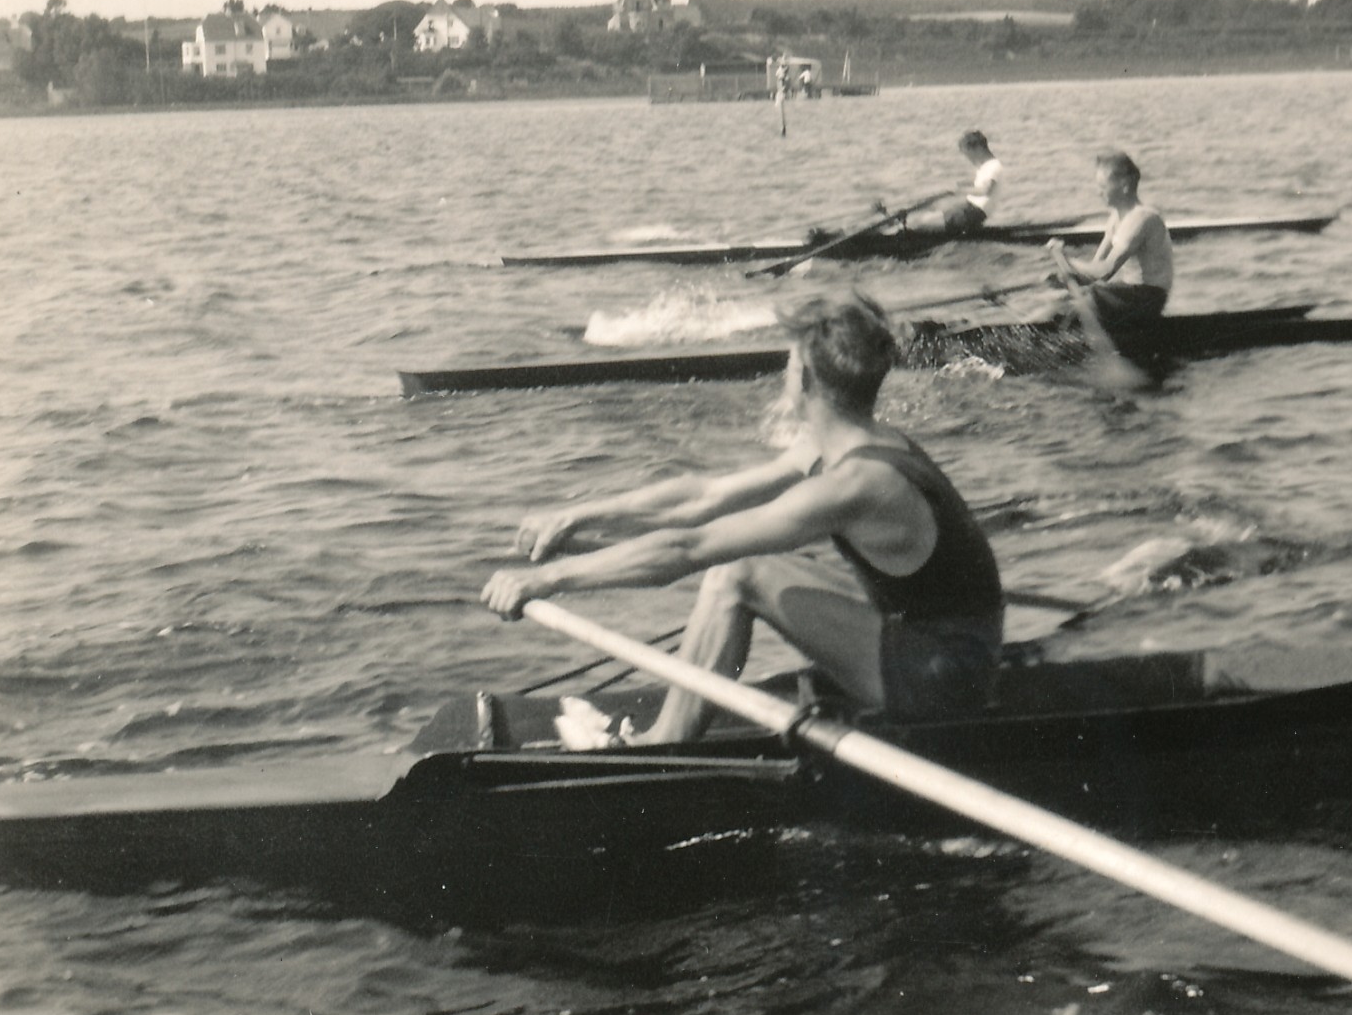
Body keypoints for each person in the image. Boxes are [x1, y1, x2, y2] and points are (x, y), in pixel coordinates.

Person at [482, 294, 1004, 744]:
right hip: (936, 644)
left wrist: (547, 580)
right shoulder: (846, 445)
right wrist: (579, 519)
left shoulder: (857, 484)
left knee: (739, 575)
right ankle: (677, 722)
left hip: (946, 681)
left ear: (804, 380)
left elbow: (689, 549)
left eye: (789, 362)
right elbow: (703, 498)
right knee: (747, 567)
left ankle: (662, 744)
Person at [1049, 149, 1173, 330]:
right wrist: (1067, 277)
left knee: (1089, 297)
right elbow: (1094, 270)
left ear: (1124, 186)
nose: (1098, 192)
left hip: (1150, 298)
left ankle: (1062, 337)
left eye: (1103, 186)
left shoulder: (1142, 218)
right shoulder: (1116, 218)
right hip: (1130, 293)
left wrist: (1067, 259)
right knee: (1063, 299)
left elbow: (1105, 271)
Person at [908, 130, 1003, 232]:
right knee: (933, 208)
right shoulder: (987, 166)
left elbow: (985, 190)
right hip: (970, 210)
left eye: (968, 154)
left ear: (978, 148)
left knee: (918, 223)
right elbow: (980, 186)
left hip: (973, 213)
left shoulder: (992, 166)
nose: (968, 158)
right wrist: (958, 185)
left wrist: (957, 190)